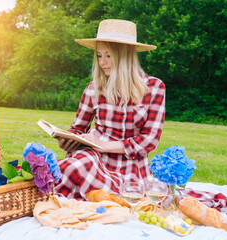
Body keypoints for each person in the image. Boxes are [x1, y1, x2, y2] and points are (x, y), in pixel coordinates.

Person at [55, 19, 165, 200]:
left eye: (108, 55)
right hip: (93, 158)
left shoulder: (154, 87)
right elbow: (78, 128)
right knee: (71, 168)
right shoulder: (93, 88)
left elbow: (149, 140)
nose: (102, 62)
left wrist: (104, 146)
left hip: (130, 166)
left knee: (118, 196)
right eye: (99, 56)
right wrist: (67, 140)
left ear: (125, 56)